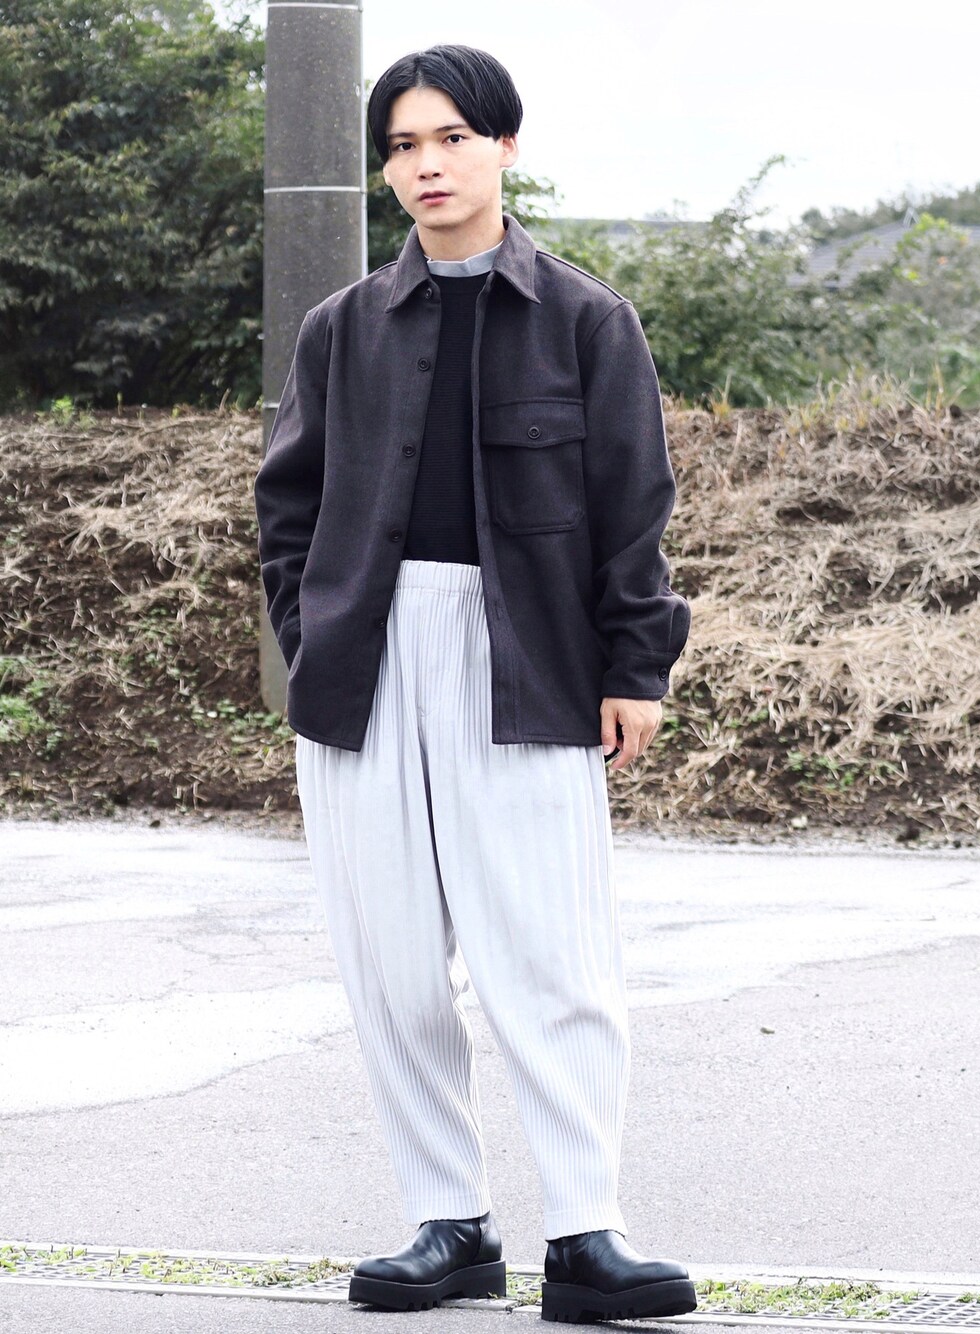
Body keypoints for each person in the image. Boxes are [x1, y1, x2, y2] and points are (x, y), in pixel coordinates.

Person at [254, 43, 694, 1325]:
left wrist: (636, 663)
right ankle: (445, 1221)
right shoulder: (343, 329)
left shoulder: (587, 319)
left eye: (450, 137)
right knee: (390, 961)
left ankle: (586, 1230)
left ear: (504, 145)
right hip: (364, 663)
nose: (426, 165)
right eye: (402, 145)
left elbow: (633, 508)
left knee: (550, 954)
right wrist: (314, 634)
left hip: (530, 659)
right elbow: (288, 507)